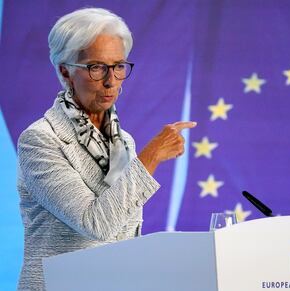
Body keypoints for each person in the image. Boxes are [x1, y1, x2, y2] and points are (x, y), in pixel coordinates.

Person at [17, 7, 196, 290]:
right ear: (65, 71)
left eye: (119, 66)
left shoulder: (123, 140)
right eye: (97, 67)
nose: (112, 80)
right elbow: (96, 224)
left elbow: (126, 232)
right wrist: (151, 157)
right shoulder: (40, 140)